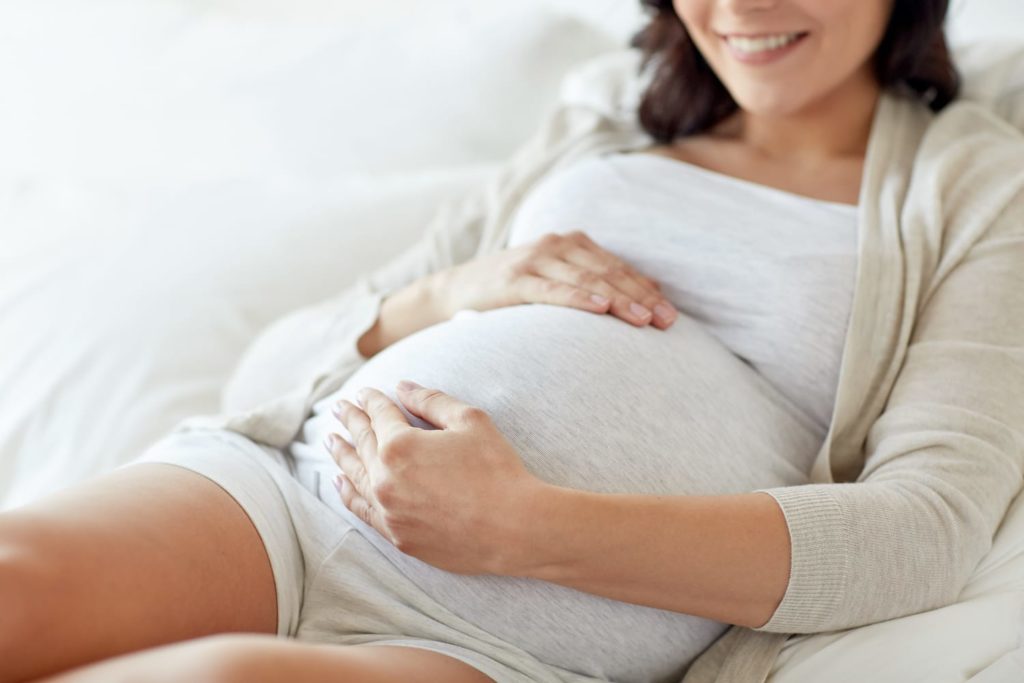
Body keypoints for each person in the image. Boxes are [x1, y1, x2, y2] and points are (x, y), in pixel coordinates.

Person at [3, 1, 1023, 681]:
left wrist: (521, 525)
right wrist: (446, 291)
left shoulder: (976, 186)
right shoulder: (606, 118)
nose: (741, 9)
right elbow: (271, 365)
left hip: (497, 637)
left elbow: (922, 528)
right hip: (291, 488)